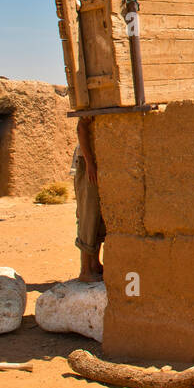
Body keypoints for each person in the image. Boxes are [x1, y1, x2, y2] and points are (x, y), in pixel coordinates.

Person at [73, 117, 106, 282]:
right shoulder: (90, 104)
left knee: (98, 217)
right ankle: (85, 270)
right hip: (88, 165)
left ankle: (94, 264)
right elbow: (81, 128)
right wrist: (90, 163)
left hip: (97, 162)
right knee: (88, 215)